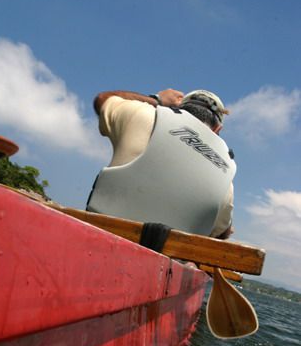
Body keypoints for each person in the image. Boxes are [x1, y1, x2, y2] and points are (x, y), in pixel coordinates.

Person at [86, 88, 236, 239]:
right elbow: (221, 232)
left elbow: (103, 99)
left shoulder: (144, 114)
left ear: (179, 108)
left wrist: (158, 100)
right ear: (217, 129)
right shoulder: (227, 178)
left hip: (98, 235)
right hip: (162, 257)